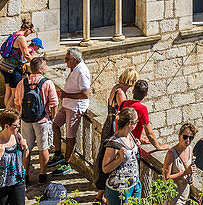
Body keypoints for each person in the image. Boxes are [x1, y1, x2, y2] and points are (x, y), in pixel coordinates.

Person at [95, 67, 137, 201]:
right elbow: (125, 115)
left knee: (106, 157)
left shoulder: (116, 88)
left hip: (109, 124)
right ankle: (102, 194)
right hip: (113, 127)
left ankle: (100, 195)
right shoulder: (121, 93)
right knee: (109, 160)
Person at [13, 56, 58, 184]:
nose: (46, 67)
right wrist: (52, 117)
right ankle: (42, 175)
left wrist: (21, 114)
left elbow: (17, 102)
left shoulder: (22, 83)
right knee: (43, 148)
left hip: (26, 120)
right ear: (40, 69)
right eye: (44, 66)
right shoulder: (47, 83)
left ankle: (25, 175)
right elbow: (54, 103)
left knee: (26, 148)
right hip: (42, 120)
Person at [48, 48, 90, 176]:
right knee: (55, 125)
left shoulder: (82, 72)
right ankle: (58, 153)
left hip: (75, 107)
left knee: (70, 136)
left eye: (67, 59)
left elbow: (85, 94)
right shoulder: (74, 69)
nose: (65, 61)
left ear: (74, 60)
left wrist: (66, 94)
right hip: (67, 104)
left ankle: (66, 163)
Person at [102, 108, 141, 205]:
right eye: (136, 122)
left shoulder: (130, 135)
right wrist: (119, 159)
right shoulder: (114, 143)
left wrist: (136, 145)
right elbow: (105, 168)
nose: (137, 124)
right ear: (129, 124)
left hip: (135, 184)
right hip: (119, 189)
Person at [0, 19, 34, 111]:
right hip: (13, 69)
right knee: (14, 93)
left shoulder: (14, 34)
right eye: (30, 32)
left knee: (8, 91)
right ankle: (9, 115)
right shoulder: (21, 38)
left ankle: (6, 111)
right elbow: (26, 54)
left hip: (5, 66)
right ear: (27, 29)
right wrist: (35, 62)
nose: (28, 34)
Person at [120, 79, 165, 151]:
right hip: (130, 147)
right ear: (146, 94)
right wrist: (159, 147)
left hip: (119, 142)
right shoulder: (142, 109)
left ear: (132, 91)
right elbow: (149, 133)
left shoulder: (123, 103)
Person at [163, 123, 198, 205]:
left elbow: (187, 170)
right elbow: (166, 178)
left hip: (186, 196)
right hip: (174, 199)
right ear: (179, 136)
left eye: (191, 138)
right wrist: (185, 172)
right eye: (185, 137)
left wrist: (190, 176)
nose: (188, 140)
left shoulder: (190, 149)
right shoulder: (171, 154)